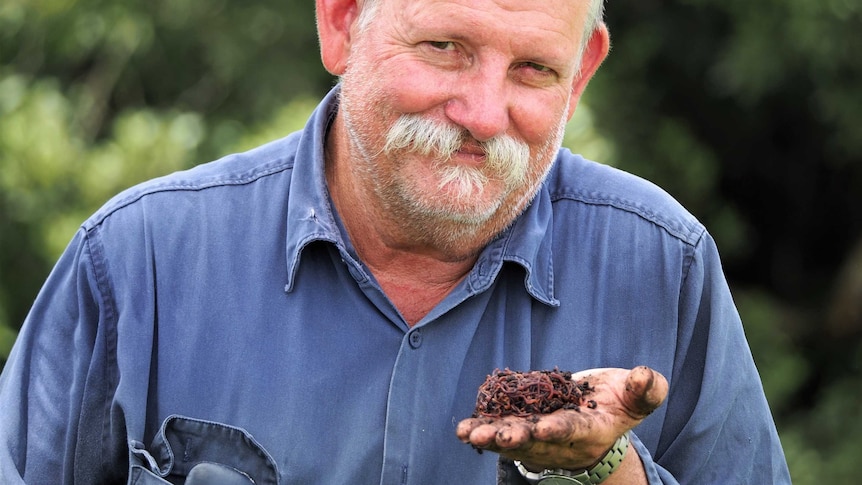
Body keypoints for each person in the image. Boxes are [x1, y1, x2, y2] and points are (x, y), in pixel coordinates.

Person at [0, 0, 791, 483]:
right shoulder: (135, 263)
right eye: (444, 47)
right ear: (341, 20)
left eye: (532, 70)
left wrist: (601, 474)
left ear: (582, 75)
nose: (483, 113)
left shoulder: (664, 265)